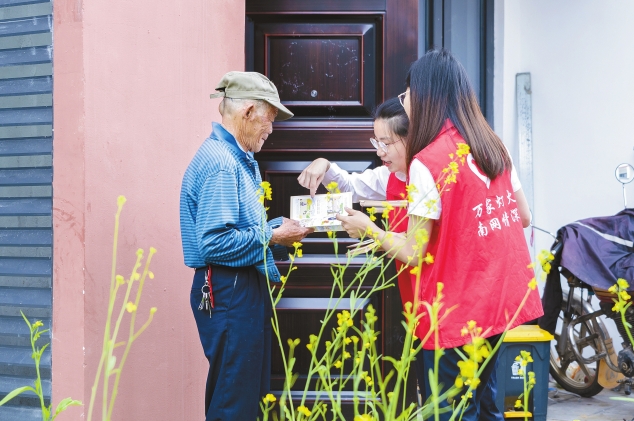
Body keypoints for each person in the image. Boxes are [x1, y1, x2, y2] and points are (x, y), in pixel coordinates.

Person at [336, 49, 543, 421]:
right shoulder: (492, 144)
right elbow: (523, 217)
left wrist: (367, 227)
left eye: (407, 93)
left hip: (455, 308)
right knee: (485, 401)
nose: (405, 101)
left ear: (426, 95)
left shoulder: (427, 162)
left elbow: (414, 251)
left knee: (448, 409)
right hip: (499, 300)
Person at [179, 71, 311, 421]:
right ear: (248, 112)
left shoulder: (233, 157)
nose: (271, 129)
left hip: (234, 288)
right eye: (270, 119)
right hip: (230, 289)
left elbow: (232, 234)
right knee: (234, 403)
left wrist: (277, 233)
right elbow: (215, 243)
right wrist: (272, 236)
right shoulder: (223, 164)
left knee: (241, 396)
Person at [297, 97, 414, 307]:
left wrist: (371, 231)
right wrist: (323, 164)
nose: (379, 152)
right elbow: (350, 187)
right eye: (376, 143)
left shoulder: (435, 177)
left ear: (412, 138)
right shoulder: (389, 176)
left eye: (386, 144)